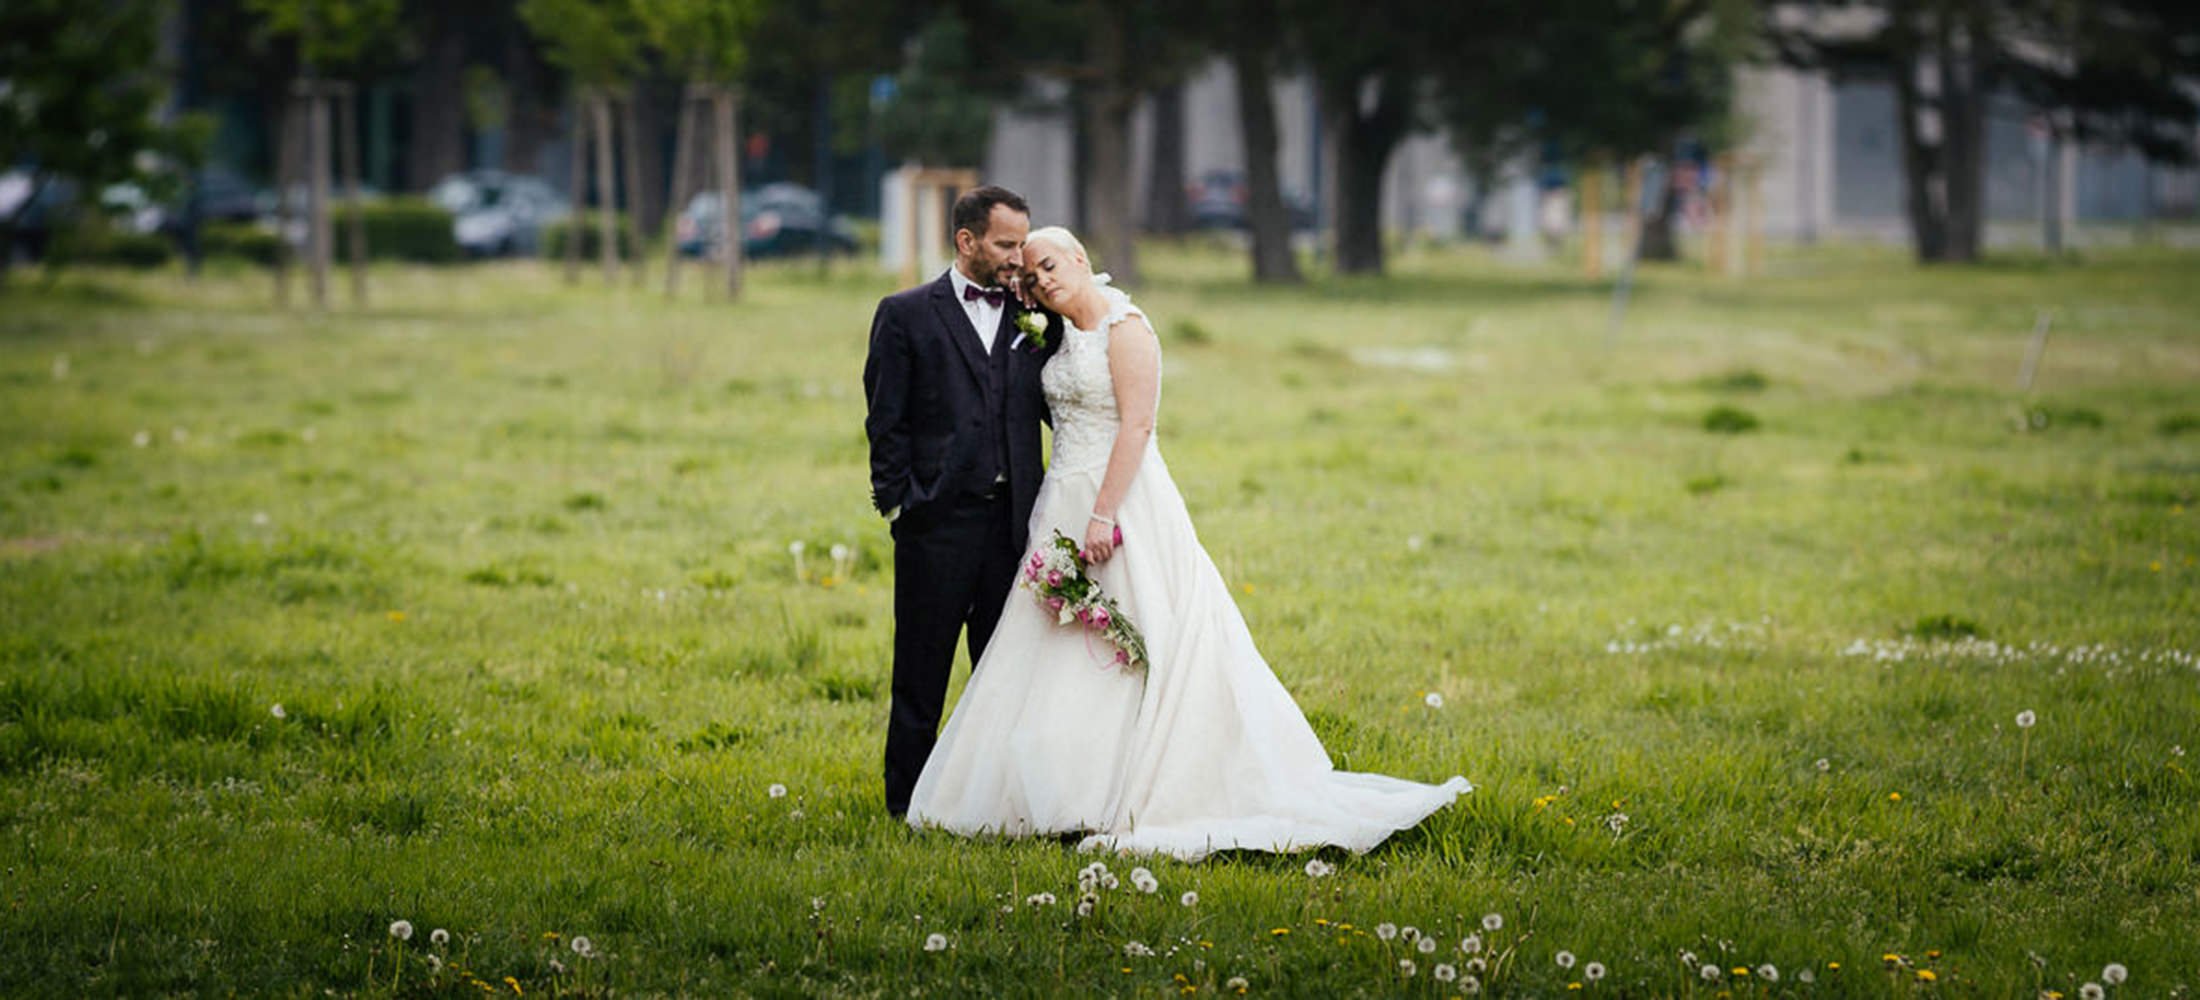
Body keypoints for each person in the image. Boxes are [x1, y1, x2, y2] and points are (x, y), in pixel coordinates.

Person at [906, 226, 1470, 861]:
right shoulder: (1056, 336)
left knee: (1141, 635)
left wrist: (1102, 514)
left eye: (1050, 266)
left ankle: (1144, 786)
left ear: (1082, 259)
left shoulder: (1128, 328)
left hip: (1120, 502)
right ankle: (1052, 791)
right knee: (1058, 643)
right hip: (1060, 498)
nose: (1042, 281)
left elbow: (1139, 425)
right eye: (1032, 277)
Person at [863, 186, 1058, 819]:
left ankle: (994, 802)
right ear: (966, 241)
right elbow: (885, 418)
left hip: (1013, 527)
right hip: (935, 524)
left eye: (1022, 243)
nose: (1017, 257)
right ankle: (907, 806)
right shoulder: (906, 314)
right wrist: (901, 503)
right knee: (920, 669)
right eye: (1005, 244)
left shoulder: (1036, 317)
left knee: (1003, 673)